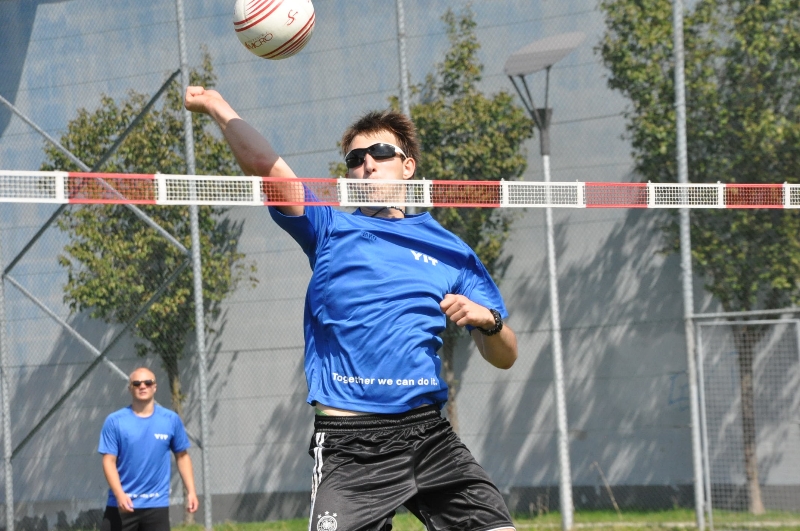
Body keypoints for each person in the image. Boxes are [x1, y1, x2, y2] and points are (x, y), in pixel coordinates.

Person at [185, 86, 518, 531]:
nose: (367, 164)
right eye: (355, 159)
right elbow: (266, 166)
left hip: (429, 436)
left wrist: (488, 321)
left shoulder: (451, 251)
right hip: (352, 445)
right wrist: (216, 105)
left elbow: (505, 356)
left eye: (380, 152)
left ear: (407, 166)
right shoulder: (329, 228)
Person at [98, 367, 199, 531]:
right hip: (122, 504)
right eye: (137, 383)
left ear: (154, 387)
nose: (142, 386)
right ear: (130, 388)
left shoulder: (171, 420)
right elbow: (108, 461)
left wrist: (191, 491)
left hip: (156, 506)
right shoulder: (115, 421)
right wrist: (119, 494)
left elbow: (182, 456)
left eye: (147, 382)